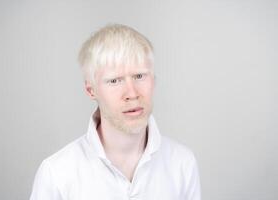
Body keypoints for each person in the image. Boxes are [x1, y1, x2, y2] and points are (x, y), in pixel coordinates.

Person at [30, 24, 201, 200]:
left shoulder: (182, 163)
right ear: (91, 90)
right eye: (114, 81)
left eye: (139, 76)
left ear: (154, 80)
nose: (132, 94)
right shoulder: (57, 174)